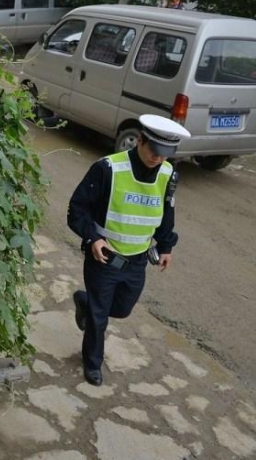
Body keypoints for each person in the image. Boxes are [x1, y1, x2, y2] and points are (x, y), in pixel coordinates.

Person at [67, 115, 190, 387]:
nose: (157, 159)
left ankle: (84, 302)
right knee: (99, 318)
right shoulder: (108, 169)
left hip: (136, 261)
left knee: (121, 309)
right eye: (153, 151)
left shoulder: (168, 174)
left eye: (164, 155)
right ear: (140, 140)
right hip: (105, 257)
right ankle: (93, 364)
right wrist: (92, 239)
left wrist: (166, 246)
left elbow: (166, 212)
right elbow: (77, 209)